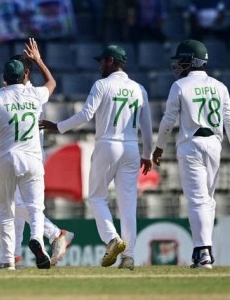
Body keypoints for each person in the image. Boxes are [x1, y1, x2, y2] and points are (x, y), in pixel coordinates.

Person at [40, 45, 153, 270]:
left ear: (111, 61)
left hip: (107, 144)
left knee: (97, 197)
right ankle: (129, 256)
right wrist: (147, 154)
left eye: (102, 61)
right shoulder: (139, 88)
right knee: (128, 205)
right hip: (131, 147)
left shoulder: (102, 85)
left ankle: (112, 238)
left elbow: (86, 115)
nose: (100, 65)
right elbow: (147, 127)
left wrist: (58, 127)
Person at [0, 41, 74, 267]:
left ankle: (34, 245)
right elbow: (52, 82)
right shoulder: (36, 95)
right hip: (32, 157)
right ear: (25, 75)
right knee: (31, 207)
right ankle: (33, 243)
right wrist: (39, 59)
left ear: (5, 78)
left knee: (8, 208)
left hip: (7, 157)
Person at [151, 39, 230, 269]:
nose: (178, 65)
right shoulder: (219, 86)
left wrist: (159, 146)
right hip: (214, 143)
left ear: (192, 61)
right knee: (207, 201)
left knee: (197, 200)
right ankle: (203, 250)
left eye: (181, 60)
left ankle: (203, 252)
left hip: (191, 144)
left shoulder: (180, 86)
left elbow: (168, 120)